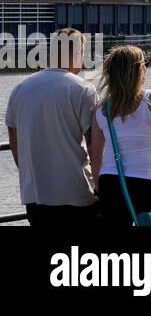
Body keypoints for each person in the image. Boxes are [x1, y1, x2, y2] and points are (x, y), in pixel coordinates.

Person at [3, 30, 98, 226]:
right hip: (76, 192)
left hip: (35, 192)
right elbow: (94, 143)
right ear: (78, 52)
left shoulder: (21, 88)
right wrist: (100, 185)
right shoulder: (83, 89)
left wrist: (29, 171)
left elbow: (13, 136)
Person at [89, 46, 151, 225]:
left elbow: (95, 154)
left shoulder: (102, 108)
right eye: (145, 65)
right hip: (145, 180)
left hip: (110, 182)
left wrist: (98, 187)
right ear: (138, 69)